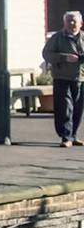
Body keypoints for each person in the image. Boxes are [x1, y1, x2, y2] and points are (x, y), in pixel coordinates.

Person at [43, 11, 84, 146]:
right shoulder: (57, 38)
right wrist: (64, 57)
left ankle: (73, 135)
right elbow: (47, 54)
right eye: (69, 21)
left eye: (74, 21)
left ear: (80, 24)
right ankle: (65, 137)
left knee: (78, 108)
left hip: (80, 78)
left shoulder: (83, 38)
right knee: (65, 107)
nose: (71, 24)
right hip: (62, 77)